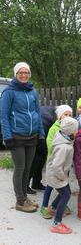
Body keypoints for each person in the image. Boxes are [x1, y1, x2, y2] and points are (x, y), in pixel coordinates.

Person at [1, 62, 45, 213]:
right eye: (20, 72)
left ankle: (24, 196)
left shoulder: (33, 91)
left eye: (26, 72)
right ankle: (19, 200)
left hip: (32, 135)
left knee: (28, 168)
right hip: (16, 135)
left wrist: (41, 134)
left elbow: (37, 113)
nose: (24, 75)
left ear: (29, 74)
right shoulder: (9, 92)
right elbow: (4, 117)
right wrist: (7, 137)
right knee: (19, 168)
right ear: (16, 74)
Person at [46, 117, 78, 234]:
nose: (77, 132)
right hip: (57, 175)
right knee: (66, 195)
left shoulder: (62, 137)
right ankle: (56, 223)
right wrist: (62, 176)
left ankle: (53, 208)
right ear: (70, 131)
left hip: (57, 174)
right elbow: (56, 165)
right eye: (76, 130)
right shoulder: (64, 147)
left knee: (66, 191)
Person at [40, 105, 73, 219]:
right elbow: (50, 144)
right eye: (65, 114)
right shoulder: (54, 128)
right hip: (55, 163)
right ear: (59, 116)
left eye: (70, 115)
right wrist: (58, 155)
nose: (68, 117)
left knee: (65, 184)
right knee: (50, 186)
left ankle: (56, 205)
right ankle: (44, 207)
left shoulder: (70, 129)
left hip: (65, 165)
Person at [28, 106, 56, 194]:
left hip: (39, 134)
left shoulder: (52, 112)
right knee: (35, 161)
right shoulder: (46, 121)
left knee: (41, 159)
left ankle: (36, 183)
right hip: (35, 136)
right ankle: (25, 186)